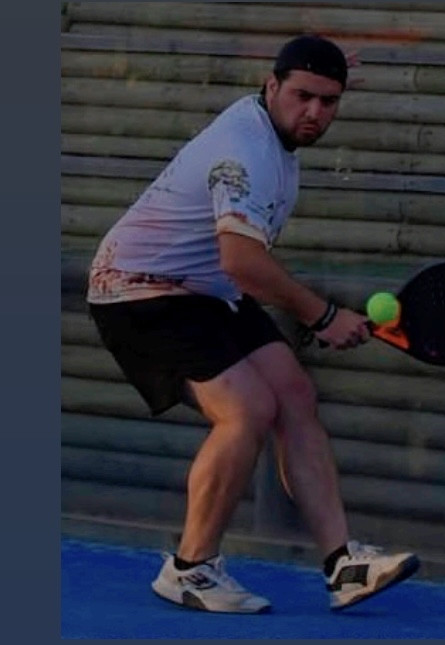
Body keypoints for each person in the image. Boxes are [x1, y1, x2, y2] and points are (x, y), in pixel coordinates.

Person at [86, 34, 419, 614]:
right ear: (271, 86)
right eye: (302, 96)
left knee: (293, 394)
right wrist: (322, 315)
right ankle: (190, 569)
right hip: (138, 290)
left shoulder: (270, 123)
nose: (314, 112)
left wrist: (318, 63)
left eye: (329, 101)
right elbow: (241, 261)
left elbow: (232, 269)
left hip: (204, 289)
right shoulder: (246, 154)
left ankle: (344, 565)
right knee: (246, 411)